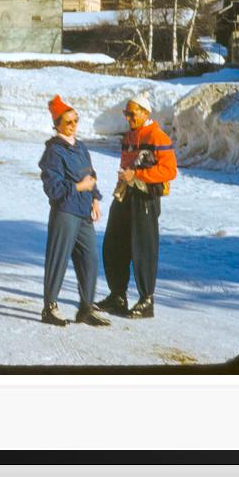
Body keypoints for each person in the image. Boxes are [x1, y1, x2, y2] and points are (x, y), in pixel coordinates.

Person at [96, 93, 177, 319]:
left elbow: (170, 170)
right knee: (113, 243)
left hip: (145, 198)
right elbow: (126, 165)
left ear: (145, 113)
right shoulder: (129, 136)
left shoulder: (157, 136)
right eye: (126, 113)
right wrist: (122, 182)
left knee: (143, 248)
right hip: (126, 195)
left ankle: (146, 300)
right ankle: (118, 296)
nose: (128, 117)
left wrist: (137, 174)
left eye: (132, 113)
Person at [38, 96, 110, 327]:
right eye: (68, 122)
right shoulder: (53, 152)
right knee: (58, 258)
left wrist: (95, 200)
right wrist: (79, 187)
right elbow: (52, 188)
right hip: (65, 211)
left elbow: (91, 175)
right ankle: (50, 307)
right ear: (57, 124)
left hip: (83, 211)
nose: (73, 125)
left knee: (90, 259)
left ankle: (86, 308)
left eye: (76, 120)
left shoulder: (80, 147)